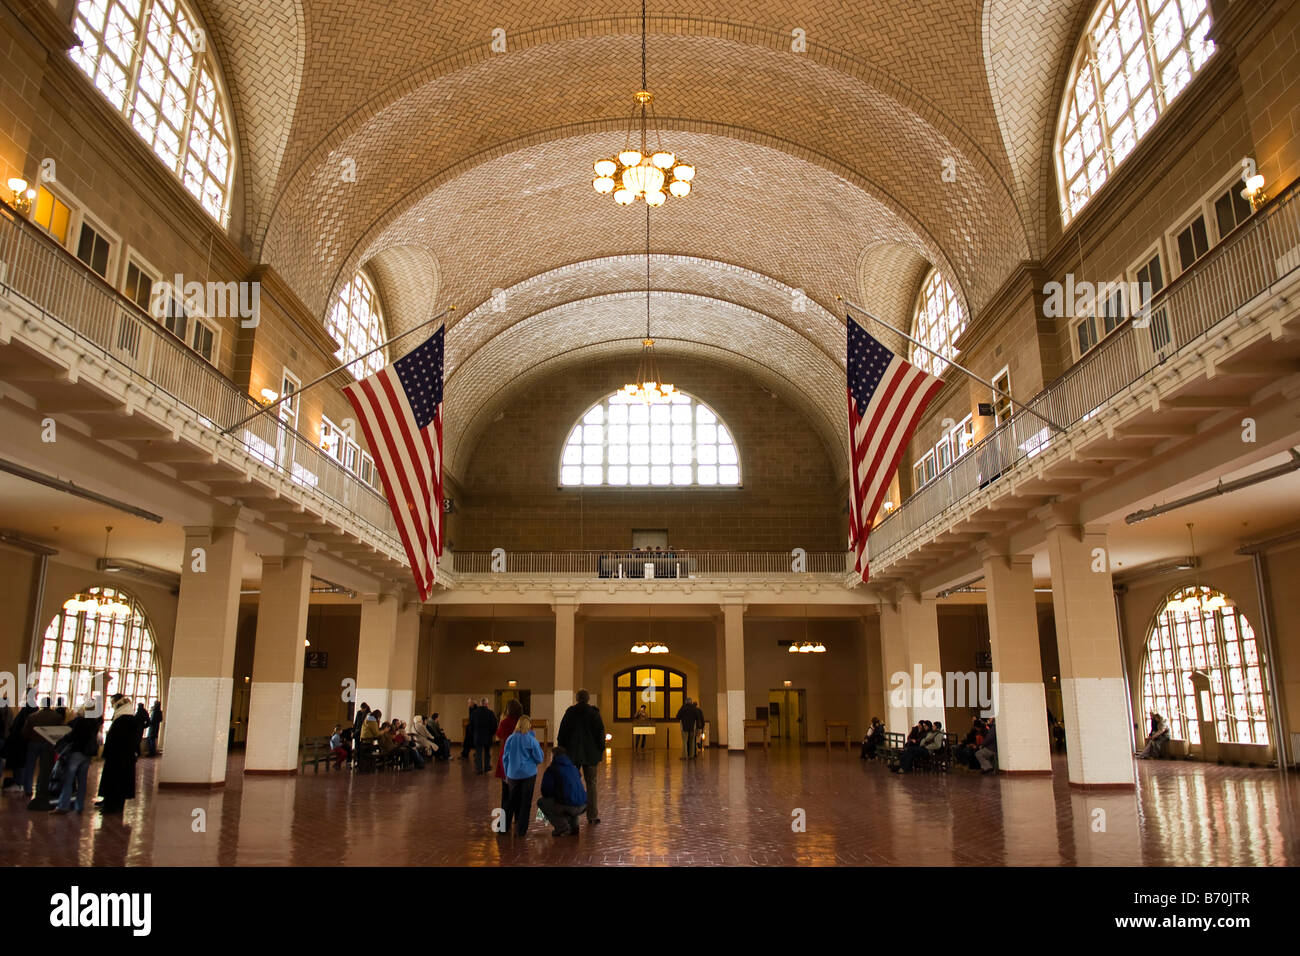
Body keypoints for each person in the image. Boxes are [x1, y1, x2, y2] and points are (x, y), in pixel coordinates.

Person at [557, 689, 605, 826]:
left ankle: (572, 816)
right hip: (591, 755)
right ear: (588, 699)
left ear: (577, 699)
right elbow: (600, 733)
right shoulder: (594, 713)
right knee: (591, 784)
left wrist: (563, 751)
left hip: (572, 754)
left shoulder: (570, 713)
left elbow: (562, 734)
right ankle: (592, 816)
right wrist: (600, 750)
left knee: (571, 783)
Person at [52, 700, 103, 814]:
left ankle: (63, 806)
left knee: (68, 780)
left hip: (77, 752)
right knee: (82, 781)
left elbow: (72, 735)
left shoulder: (80, 721)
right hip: (87, 754)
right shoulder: (94, 722)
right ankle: (79, 806)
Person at [97, 695, 143, 813]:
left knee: (114, 781)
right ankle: (113, 804)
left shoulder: (122, 720)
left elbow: (116, 740)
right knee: (121, 782)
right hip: (125, 758)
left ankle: (110, 806)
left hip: (117, 758)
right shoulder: (130, 719)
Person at [501, 716, 545, 836]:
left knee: (511, 801)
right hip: (528, 774)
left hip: (512, 774)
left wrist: (506, 773)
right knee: (525, 802)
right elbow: (539, 758)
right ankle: (521, 830)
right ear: (529, 725)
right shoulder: (531, 740)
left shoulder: (510, 738)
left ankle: (503, 827)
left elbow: (505, 758)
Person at [537, 745, 587, 837]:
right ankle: (574, 825)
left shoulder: (552, 769)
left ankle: (562, 827)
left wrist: (554, 794)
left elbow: (545, 791)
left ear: (553, 756)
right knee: (570, 798)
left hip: (568, 805)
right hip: (583, 804)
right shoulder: (573, 767)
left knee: (543, 802)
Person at [494, 699, 523, 810]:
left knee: (506, 790)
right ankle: (517, 815)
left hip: (507, 756)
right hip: (520, 757)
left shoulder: (505, 722)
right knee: (519, 789)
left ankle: (505, 817)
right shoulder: (522, 722)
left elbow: (499, 736)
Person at [470, 696, 498, 774]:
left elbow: (471, 725)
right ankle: (486, 767)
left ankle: (479, 769)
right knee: (487, 752)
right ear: (486, 704)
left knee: (478, 752)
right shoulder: (490, 713)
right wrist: (492, 733)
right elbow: (494, 724)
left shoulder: (474, 712)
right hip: (487, 736)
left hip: (478, 736)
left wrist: (473, 733)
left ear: (480, 704)